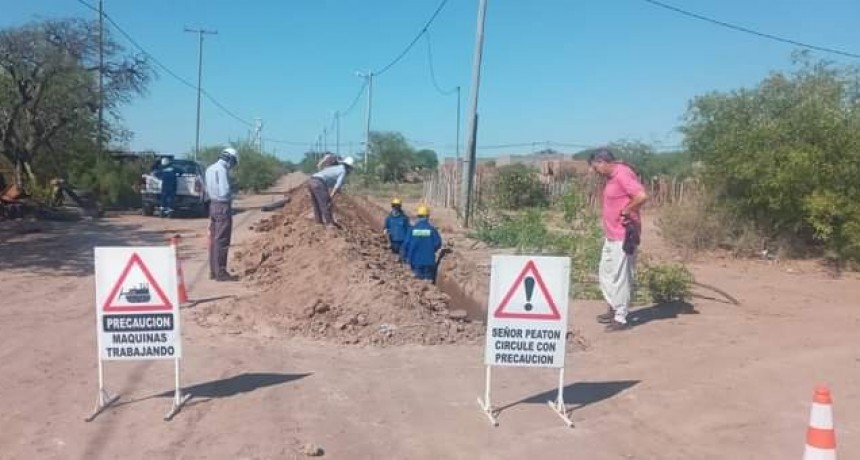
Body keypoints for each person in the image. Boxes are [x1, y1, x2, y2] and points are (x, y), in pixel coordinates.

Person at [588, 148, 649, 331]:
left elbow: (641, 196)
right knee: (606, 272)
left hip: (624, 235)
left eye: (595, 167)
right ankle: (614, 307)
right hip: (611, 235)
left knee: (621, 276)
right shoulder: (612, 177)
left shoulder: (622, 174)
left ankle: (621, 318)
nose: (595, 171)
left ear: (603, 162)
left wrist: (628, 210)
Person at [205, 147, 240, 282]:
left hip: (212, 204)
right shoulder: (222, 170)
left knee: (214, 240)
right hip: (222, 205)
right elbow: (224, 191)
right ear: (230, 159)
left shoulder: (210, 168)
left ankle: (213, 270)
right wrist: (233, 192)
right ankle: (221, 272)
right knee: (222, 239)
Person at [307, 155, 355, 228]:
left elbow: (331, 180)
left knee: (316, 203)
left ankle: (319, 222)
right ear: (348, 167)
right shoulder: (343, 171)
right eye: (350, 169)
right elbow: (337, 185)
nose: (350, 171)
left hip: (311, 181)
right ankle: (329, 223)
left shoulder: (337, 168)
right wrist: (331, 196)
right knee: (326, 203)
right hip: (319, 182)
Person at [403, 204, 442, 281]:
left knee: (418, 283)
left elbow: (406, 245)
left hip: (415, 261)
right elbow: (438, 243)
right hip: (429, 261)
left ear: (418, 216)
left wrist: (405, 258)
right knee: (428, 282)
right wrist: (430, 250)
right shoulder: (431, 230)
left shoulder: (412, 230)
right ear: (427, 216)